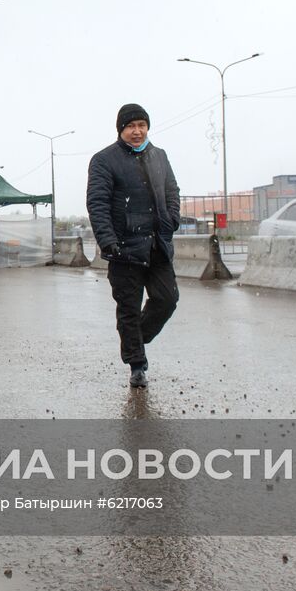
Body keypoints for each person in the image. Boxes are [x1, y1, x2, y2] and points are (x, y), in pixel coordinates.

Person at [86, 103, 180, 388]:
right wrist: (107, 240)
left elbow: (172, 190)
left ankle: (135, 338)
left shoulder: (159, 156)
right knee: (128, 308)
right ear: (121, 130)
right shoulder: (104, 160)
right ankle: (137, 365)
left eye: (141, 125)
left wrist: (171, 219)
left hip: (157, 245)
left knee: (167, 300)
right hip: (124, 248)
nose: (137, 131)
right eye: (131, 126)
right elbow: (97, 203)